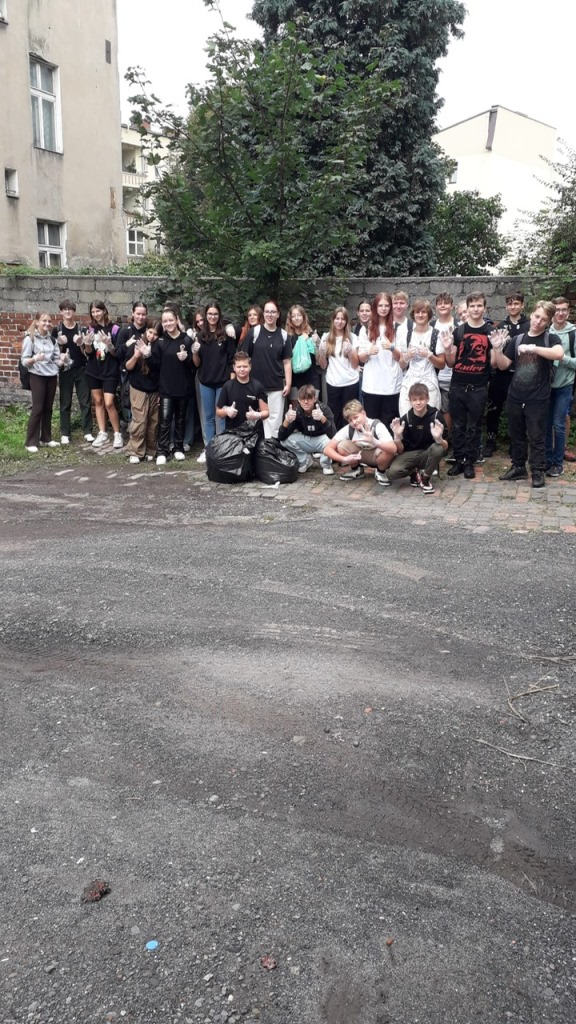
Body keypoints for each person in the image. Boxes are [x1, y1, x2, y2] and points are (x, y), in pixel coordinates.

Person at [493, 301, 563, 488]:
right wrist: (497, 349)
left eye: (543, 319)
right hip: (515, 395)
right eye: (537, 316)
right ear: (532, 314)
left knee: (537, 436)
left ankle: (537, 471)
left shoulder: (550, 338)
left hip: (537, 398)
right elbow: (503, 365)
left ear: (548, 322)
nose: (538, 321)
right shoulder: (518, 339)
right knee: (516, 435)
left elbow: (559, 354)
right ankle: (518, 467)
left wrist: (534, 348)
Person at [441, 292, 492, 479]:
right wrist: (448, 349)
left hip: (478, 387)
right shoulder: (459, 331)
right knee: (458, 426)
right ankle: (459, 459)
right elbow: (450, 363)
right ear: (467, 308)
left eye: (479, 305)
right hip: (458, 385)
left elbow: (494, 363)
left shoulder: (489, 331)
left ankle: (470, 461)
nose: (476, 309)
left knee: (474, 427)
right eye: (472, 306)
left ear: (484, 308)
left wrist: (499, 347)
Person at [484, 292, 529, 457]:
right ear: (506, 306)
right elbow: (493, 359)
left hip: (522, 375)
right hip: (501, 374)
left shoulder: (529, 325)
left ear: (522, 305)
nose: (513, 306)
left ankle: (515, 442)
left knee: (518, 410)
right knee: (494, 409)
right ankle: (491, 440)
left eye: (516, 303)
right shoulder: (500, 326)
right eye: (510, 304)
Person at [147, 308, 194, 465]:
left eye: (170, 320)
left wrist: (186, 358)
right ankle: (162, 450)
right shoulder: (160, 341)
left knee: (180, 419)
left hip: (183, 387)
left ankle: (178, 448)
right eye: (165, 321)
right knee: (165, 420)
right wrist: (147, 356)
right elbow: (155, 366)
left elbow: (194, 365)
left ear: (176, 320)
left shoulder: (186, 340)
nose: (168, 323)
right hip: (166, 388)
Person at [238, 299, 292, 438]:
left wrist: (288, 383)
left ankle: (270, 448)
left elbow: (287, 362)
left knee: (274, 422)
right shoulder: (254, 332)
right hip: (255, 386)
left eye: (273, 312)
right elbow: (243, 357)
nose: (270, 314)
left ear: (278, 314)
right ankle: (253, 448)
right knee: (253, 420)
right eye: (267, 311)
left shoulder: (284, 335)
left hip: (276, 386)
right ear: (263, 314)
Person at [192, 301, 236, 463]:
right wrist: (194, 352)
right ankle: (209, 449)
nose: (212, 317)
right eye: (210, 314)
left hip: (223, 382)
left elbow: (232, 360)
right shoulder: (199, 336)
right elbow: (196, 363)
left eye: (215, 314)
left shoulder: (226, 335)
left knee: (221, 416)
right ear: (205, 315)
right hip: (205, 381)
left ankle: (221, 448)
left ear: (219, 315)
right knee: (209, 417)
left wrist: (232, 383)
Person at [387, 383, 448, 494]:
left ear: (427, 399)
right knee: (392, 473)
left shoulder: (436, 416)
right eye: (414, 400)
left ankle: (425, 478)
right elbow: (400, 450)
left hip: (428, 453)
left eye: (421, 399)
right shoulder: (406, 418)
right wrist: (397, 437)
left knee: (438, 448)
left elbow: (445, 447)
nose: (418, 402)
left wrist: (439, 439)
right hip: (410, 454)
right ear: (410, 401)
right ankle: (414, 473)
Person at [21, 312, 68, 452]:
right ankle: (30, 442)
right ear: (37, 322)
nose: (47, 323)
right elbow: (24, 361)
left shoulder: (52, 340)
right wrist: (35, 359)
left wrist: (63, 360)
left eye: (49, 321)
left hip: (51, 376)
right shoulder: (30, 339)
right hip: (37, 376)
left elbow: (56, 361)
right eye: (44, 321)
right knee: (38, 408)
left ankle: (46, 438)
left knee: (48, 408)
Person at [322, 399, 398, 484]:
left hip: (377, 455)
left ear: (364, 413)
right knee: (341, 446)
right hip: (360, 455)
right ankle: (356, 469)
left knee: (388, 450)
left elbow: (393, 449)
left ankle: (381, 471)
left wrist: (374, 441)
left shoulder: (377, 426)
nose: (354, 422)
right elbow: (327, 449)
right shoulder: (348, 429)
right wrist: (344, 459)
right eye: (350, 420)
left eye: (356, 417)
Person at [116, 320, 160, 464]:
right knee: (139, 420)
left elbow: (160, 369)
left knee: (153, 421)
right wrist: (136, 355)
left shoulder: (159, 347)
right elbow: (128, 366)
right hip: (138, 387)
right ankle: (135, 450)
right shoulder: (137, 343)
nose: (152, 336)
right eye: (150, 332)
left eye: (155, 334)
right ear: (146, 331)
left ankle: (151, 450)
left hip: (154, 389)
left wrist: (149, 355)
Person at [357, 292, 403, 428]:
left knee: (389, 424)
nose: (383, 308)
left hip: (391, 385)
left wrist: (392, 347)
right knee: (372, 424)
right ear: (375, 307)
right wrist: (368, 352)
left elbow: (401, 357)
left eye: (386, 305)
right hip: (372, 385)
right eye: (380, 305)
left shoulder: (397, 328)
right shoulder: (366, 328)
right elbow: (361, 358)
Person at [52, 299, 94, 444]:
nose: (67, 311)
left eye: (70, 309)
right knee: (65, 402)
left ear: (74, 311)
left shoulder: (81, 330)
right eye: (65, 309)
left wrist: (82, 344)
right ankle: (65, 433)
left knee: (85, 401)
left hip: (81, 368)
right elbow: (53, 353)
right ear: (61, 312)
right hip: (65, 370)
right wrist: (59, 344)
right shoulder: (57, 330)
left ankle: (87, 431)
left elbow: (87, 354)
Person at [81, 300, 123, 449]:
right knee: (98, 401)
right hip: (94, 370)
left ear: (104, 311)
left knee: (109, 403)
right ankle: (102, 432)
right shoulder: (90, 328)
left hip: (110, 371)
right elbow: (89, 353)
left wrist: (109, 344)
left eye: (98, 311)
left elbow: (117, 353)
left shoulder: (115, 329)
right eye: (93, 312)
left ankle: (117, 434)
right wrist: (86, 344)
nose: (95, 314)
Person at [398, 299, 444, 415]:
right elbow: (402, 364)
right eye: (417, 312)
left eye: (423, 312)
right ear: (413, 314)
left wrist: (429, 355)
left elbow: (442, 364)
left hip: (429, 380)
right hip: (410, 380)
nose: (420, 315)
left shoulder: (436, 335)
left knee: (431, 418)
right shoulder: (407, 335)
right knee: (406, 416)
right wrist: (407, 356)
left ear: (429, 314)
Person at [317, 306, 360, 429]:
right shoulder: (326, 337)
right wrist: (322, 353)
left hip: (350, 382)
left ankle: (350, 437)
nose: (339, 322)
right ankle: (335, 438)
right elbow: (323, 365)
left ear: (346, 321)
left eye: (342, 319)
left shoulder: (353, 337)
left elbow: (355, 365)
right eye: (337, 318)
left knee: (350, 415)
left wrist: (350, 351)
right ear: (333, 320)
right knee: (334, 415)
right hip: (333, 382)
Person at [278, 383, 335, 474]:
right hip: (307, 439)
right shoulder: (297, 411)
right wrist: (286, 421)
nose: (305, 402)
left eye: (309, 399)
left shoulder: (323, 409)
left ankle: (326, 464)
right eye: (302, 399)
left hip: (322, 439)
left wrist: (322, 418)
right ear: (298, 400)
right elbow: (281, 437)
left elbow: (333, 434)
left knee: (332, 441)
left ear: (314, 399)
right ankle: (305, 460)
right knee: (285, 441)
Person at [547, 296, 576, 473]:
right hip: (545, 386)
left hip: (564, 386)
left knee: (558, 424)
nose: (560, 313)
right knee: (545, 425)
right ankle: (547, 460)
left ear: (568, 311)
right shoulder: (545, 331)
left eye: (564, 309)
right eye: (557, 310)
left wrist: (562, 358)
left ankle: (558, 463)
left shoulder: (573, 333)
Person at [114, 301, 149, 427]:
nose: (141, 317)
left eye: (143, 314)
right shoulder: (125, 331)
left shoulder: (149, 331)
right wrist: (126, 345)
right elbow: (117, 354)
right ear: (133, 313)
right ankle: (129, 431)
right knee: (128, 407)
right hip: (128, 376)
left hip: (146, 375)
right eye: (138, 314)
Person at [216, 349, 269, 432]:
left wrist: (257, 415)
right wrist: (226, 411)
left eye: (245, 366)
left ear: (250, 367)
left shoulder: (258, 386)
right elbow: (218, 412)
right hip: (232, 433)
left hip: (253, 433)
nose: (242, 369)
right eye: (239, 367)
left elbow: (266, 412)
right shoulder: (227, 386)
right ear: (234, 367)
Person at [432, 292, 455, 440]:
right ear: (435, 307)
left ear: (452, 306)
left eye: (446, 303)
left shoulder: (458, 325)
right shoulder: (431, 325)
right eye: (440, 303)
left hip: (453, 375)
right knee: (439, 408)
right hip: (435, 375)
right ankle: (440, 438)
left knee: (451, 410)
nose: (443, 305)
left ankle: (450, 438)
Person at [286, 304, 320, 399]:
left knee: (313, 406)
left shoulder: (312, 335)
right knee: (296, 407)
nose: (296, 318)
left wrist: (317, 343)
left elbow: (318, 359)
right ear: (290, 319)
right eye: (293, 316)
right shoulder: (287, 338)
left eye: (299, 315)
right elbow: (287, 359)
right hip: (295, 379)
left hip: (311, 377)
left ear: (304, 317)